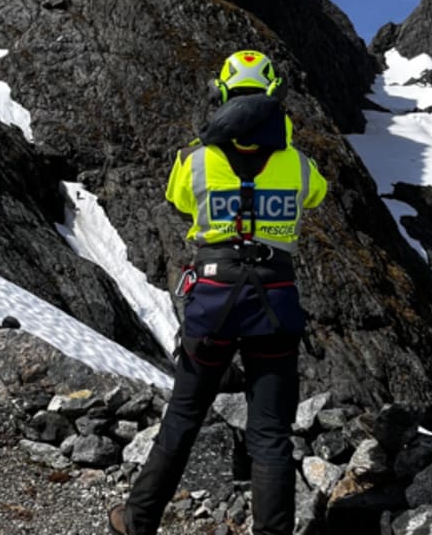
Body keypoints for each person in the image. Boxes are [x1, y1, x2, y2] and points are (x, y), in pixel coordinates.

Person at [109, 50, 327, 534]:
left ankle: (139, 519)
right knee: (270, 433)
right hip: (275, 301)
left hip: (214, 297)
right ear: (274, 95)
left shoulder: (195, 159)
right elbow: (317, 195)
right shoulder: (299, 164)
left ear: (220, 93)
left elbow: (178, 198)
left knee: (184, 414)